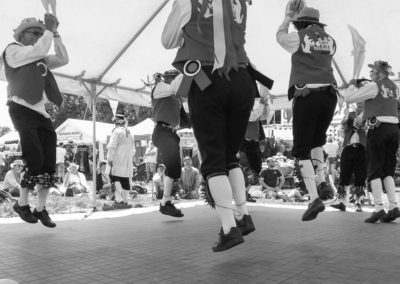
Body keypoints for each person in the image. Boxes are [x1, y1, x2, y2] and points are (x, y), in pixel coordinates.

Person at [163, 0, 264, 252]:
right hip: (242, 79)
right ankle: (243, 213)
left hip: (207, 78)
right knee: (230, 156)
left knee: (213, 160)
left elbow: (168, 40)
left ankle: (229, 229)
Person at [4, 14, 68, 228]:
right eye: (35, 32)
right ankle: (22, 204)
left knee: (48, 163)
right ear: (22, 34)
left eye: (41, 33)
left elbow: (63, 58)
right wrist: (49, 30)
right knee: (35, 159)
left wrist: (56, 34)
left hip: (41, 114)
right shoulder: (12, 50)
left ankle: (40, 209)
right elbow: (39, 50)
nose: (39, 36)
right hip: (21, 107)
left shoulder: (38, 57)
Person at [277, 3, 338, 221]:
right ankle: (322, 182)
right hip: (330, 96)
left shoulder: (299, 37)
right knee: (317, 142)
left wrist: (286, 18)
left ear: (300, 23)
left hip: (308, 95)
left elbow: (281, 38)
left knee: (301, 148)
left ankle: (314, 199)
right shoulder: (331, 41)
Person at [343, 60, 400, 223]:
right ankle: (393, 206)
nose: (370, 75)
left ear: (379, 73)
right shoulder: (395, 87)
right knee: (388, 169)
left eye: (372, 72)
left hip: (379, 129)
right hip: (393, 129)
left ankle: (378, 208)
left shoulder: (374, 85)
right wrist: (362, 117)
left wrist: (353, 84)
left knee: (374, 169)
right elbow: (382, 105)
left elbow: (349, 98)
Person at [151, 69, 191, 217]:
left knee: (174, 169)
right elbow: (175, 86)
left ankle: (166, 202)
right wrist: (186, 71)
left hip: (169, 134)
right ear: (169, 78)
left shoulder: (175, 97)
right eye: (174, 79)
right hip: (162, 132)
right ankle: (165, 203)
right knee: (174, 168)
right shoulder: (160, 88)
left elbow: (185, 119)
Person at [331, 102, 367, 212]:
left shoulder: (368, 114)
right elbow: (342, 128)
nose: (359, 103)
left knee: (360, 176)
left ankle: (358, 203)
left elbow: (368, 129)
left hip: (362, 148)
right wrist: (345, 122)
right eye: (359, 102)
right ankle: (342, 203)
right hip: (348, 147)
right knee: (344, 175)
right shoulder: (350, 114)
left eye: (362, 102)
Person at [105, 113, 135, 210]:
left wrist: (109, 159)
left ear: (116, 122)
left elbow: (111, 146)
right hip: (127, 162)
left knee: (115, 178)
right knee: (125, 179)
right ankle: (125, 200)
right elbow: (133, 151)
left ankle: (119, 200)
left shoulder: (116, 131)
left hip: (117, 160)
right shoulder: (130, 133)